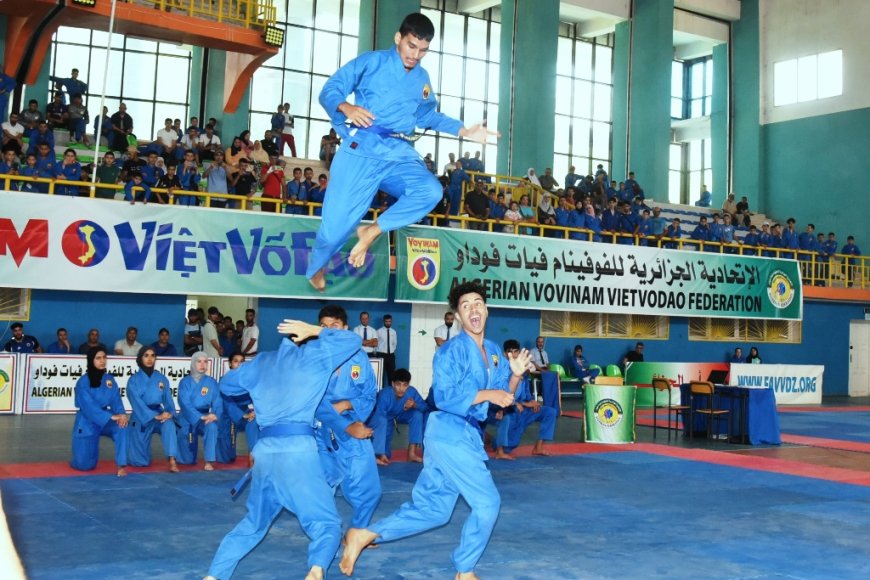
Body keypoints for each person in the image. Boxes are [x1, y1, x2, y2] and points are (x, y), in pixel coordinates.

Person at [339, 281, 530, 578]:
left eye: (477, 303)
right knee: (487, 502)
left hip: (459, 435)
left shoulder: (493, 352)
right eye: (465, 306)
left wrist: (516, 376)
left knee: (434, 510)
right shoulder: (450, 352)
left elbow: (504, 394)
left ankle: (363, 535)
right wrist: (489, 395)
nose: (473, 309)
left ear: (486, 309)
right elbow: (445, 397)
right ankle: (464, 570)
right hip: (450, 431)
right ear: (457, 315)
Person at [306, 13, 498, 292]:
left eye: (423, 50)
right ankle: (317, 267)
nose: (415, 55)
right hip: (364, 149)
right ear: (398, 38)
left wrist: (463, 130)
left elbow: (428, 115)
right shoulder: (371, 62)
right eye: (411, 46)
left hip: (398, 152)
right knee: (334, 229)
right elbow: (331, 89)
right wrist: (346, 108)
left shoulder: (422, 78)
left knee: (431, 191)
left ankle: (372, 230)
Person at [202, 319, 362, 580]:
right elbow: (352, 341)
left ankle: (214, 576)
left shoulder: (261, 362)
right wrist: (315, 330)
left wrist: (254, 387)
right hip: (298, 451)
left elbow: (227, 386)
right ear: (304, 339)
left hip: (264, 452)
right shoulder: (315, 356)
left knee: (254, 524)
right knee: (327, 524)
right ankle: (316, 569)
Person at [314, 305, 381, 536]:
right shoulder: (312, 355)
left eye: (335, 326)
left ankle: (357, 532)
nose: (330, 331)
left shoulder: (359, 357)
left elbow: (369, 394)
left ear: (345, 328)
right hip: (319, 427)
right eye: (324, 326)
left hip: (352, 423)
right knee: (323, 486)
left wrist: (345, 405)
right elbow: (306, 396)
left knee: (369, 488)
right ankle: (325, 538)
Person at [70, 347, 129, 477]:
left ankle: (121, 465)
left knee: (122, 427)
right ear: (91, 360)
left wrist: (122, 415)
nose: (102, 361)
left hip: (106, 420)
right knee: (85, 466)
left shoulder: (109, 380)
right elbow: (88, 407)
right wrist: (110, 416)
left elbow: (116, 400)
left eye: (104, 357)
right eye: (98, 358)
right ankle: (80, 458)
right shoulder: (83, 382)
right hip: (87, 421)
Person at [125, 346, 180, 472]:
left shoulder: (161, 379)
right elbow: (136, 403)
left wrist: (170, 413)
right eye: (146, 355)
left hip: (159, 412)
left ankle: (172, 460)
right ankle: (139, 455)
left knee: (169, 424)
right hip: (141, 416)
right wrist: (153, 416)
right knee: (139, 462)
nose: (150, 359)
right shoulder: (133, 380)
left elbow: (168, 401)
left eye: (152, 355)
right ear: (140, 358)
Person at [500, 339, 558, 457]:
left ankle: (538, 447)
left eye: (516, 351)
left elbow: (526, 393)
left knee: (550, 412)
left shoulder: (523, 371)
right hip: (513, 410)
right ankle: (495, 442)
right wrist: (521, 404)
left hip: (525, 408)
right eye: (511, 352)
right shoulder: (502, 372)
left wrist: (532, 401)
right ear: (505, 353)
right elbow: (502, 395)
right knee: (509, 447)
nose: (515, 355)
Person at [367, 368, 428, 465]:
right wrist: (381, 453)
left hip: (400, 415)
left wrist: (414, 405)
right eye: (398, 384)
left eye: (405, 385)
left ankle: (412, 453)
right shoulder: (385, 394)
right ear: (392, 384)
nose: (401, 388)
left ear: (408, 385)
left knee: (417, 414)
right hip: (381, 419)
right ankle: (379, 454)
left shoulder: (411, 392)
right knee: (385, 454)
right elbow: (379, 418)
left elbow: (425, 407)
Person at [176, 352, 221, 471]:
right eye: (199, 361)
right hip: (187, 417)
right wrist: (199, 417)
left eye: (205, 362)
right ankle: (186, 456)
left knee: (212, 427)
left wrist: (214, 415)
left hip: (206, 416)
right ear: (193, 363)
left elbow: (218, 401)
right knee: (187, 461)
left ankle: (209, 460)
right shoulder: (184, 382)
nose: (202, 365)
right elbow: (184, 403)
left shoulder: (212, 382)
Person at [215, 352, 258, 465]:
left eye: (241, 361)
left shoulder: (250, 380)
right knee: (225, 459)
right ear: (230, 364)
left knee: (253, 422)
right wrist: (242, 415)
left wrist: (253, 412)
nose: (239, 364)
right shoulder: (224, 381)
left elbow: (257, 398)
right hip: (228, 416)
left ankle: (252, 455)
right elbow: (227, 404)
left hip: (247, 412)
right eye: (235, 361)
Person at [376, 314, 398, 384]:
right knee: (380, 375)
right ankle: (381, 392)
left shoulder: (393, 332)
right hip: (381, 355)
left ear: (391, 321)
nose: (388, 323)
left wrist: (391, 351)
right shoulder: (378, 331)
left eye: (389, 321)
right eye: (386, 321)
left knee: (391, 376)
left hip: (391, 356)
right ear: (384, 321)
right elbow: (376, 343)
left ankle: (391, 392)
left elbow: (394, 343)